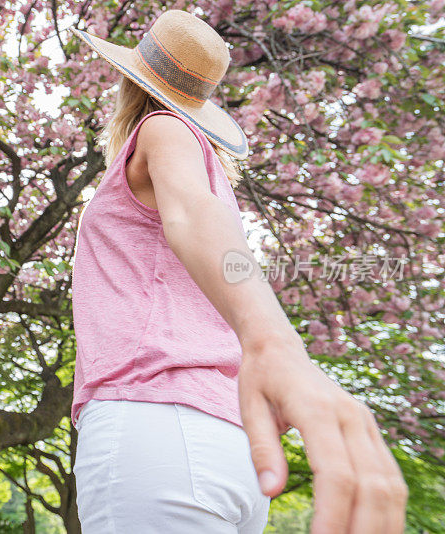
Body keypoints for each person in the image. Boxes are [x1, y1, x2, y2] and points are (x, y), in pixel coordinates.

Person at [68, 9, 408, 534]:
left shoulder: (162, 128)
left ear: (130, 79)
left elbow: (190, 215)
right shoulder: (203, 163)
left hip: (153, 426)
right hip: (230, 442)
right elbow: (207, 229)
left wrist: (275, 345)